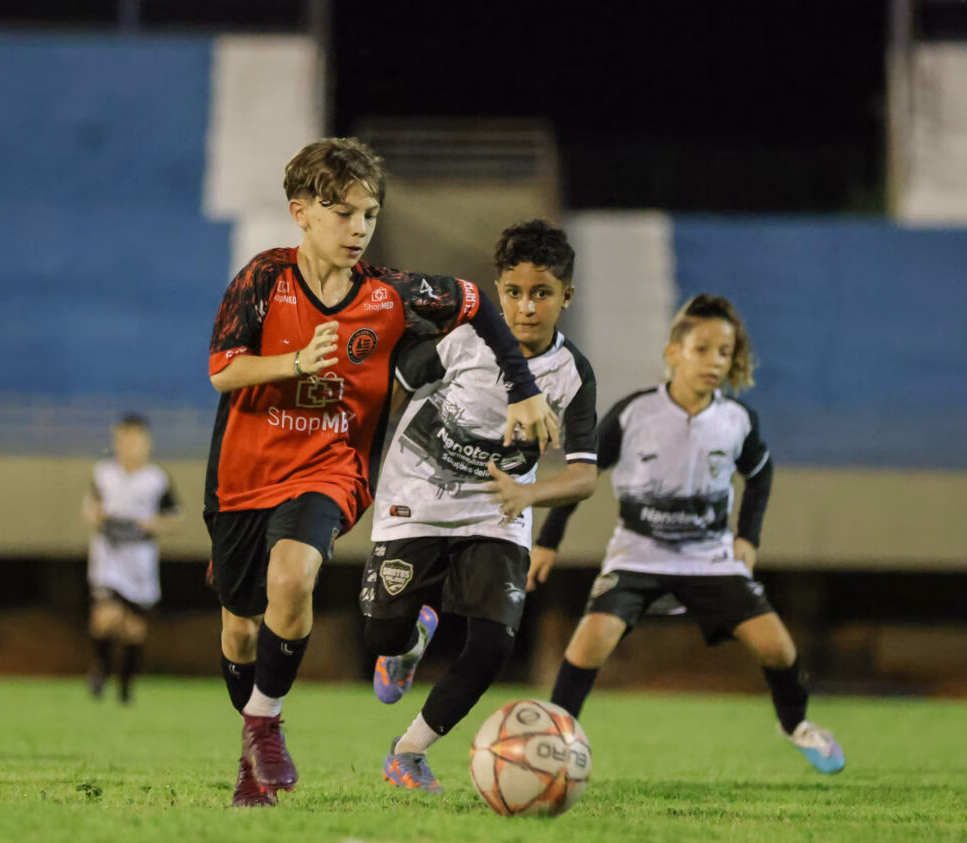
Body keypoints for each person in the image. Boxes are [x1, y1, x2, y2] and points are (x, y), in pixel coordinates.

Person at [205, 138, 560, 809]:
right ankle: (257, 744)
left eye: (368, 214)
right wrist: (295, 365)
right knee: (238, 630)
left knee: (293, 577)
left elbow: (477, 304)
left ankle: (264, 732)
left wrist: (522, 388)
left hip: (329, 467)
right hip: (242, 474)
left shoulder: (392, 294)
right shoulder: (262, 280)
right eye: (343, 213)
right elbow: (224, 369)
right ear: (300, 212)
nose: (359, 228)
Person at [530, 294, 845, 774]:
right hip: (637, 555)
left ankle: (796, 724)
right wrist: (549, 539)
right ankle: (553, 744)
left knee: (779, 648)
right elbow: (583, 474)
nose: (715, 361)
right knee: (588, 644)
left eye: (725, 352)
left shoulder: (737, 421)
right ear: (673, 352)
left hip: (708, 559)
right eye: (703, 348)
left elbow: (759, 475)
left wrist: (748, 538)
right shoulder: (634, 413)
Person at [362, 220, 599, 794]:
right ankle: (409, 642)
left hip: (498, 509)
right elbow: (394, 384)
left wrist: (527, 495)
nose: (526, 307)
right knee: (381, 633)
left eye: (541, 293)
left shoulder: (573, 374)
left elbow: (585, 475)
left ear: (566, 297)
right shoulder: (463, 340)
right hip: (416, 492)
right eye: (513, 293)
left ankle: (410, 751)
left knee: (494, 643)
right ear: (498, 291)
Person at [82, 413, 181, 705]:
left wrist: (154, 524)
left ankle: (125, 686)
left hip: (139, 562)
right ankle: (100, 668)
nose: (128, 446)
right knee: (105, 617)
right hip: (108, 556)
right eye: (123, 439)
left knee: (134, 629)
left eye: (134, 439)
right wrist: (95, 515)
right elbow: (90, 507)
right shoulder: (103, 473)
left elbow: (175, 518)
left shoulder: (156, 479)